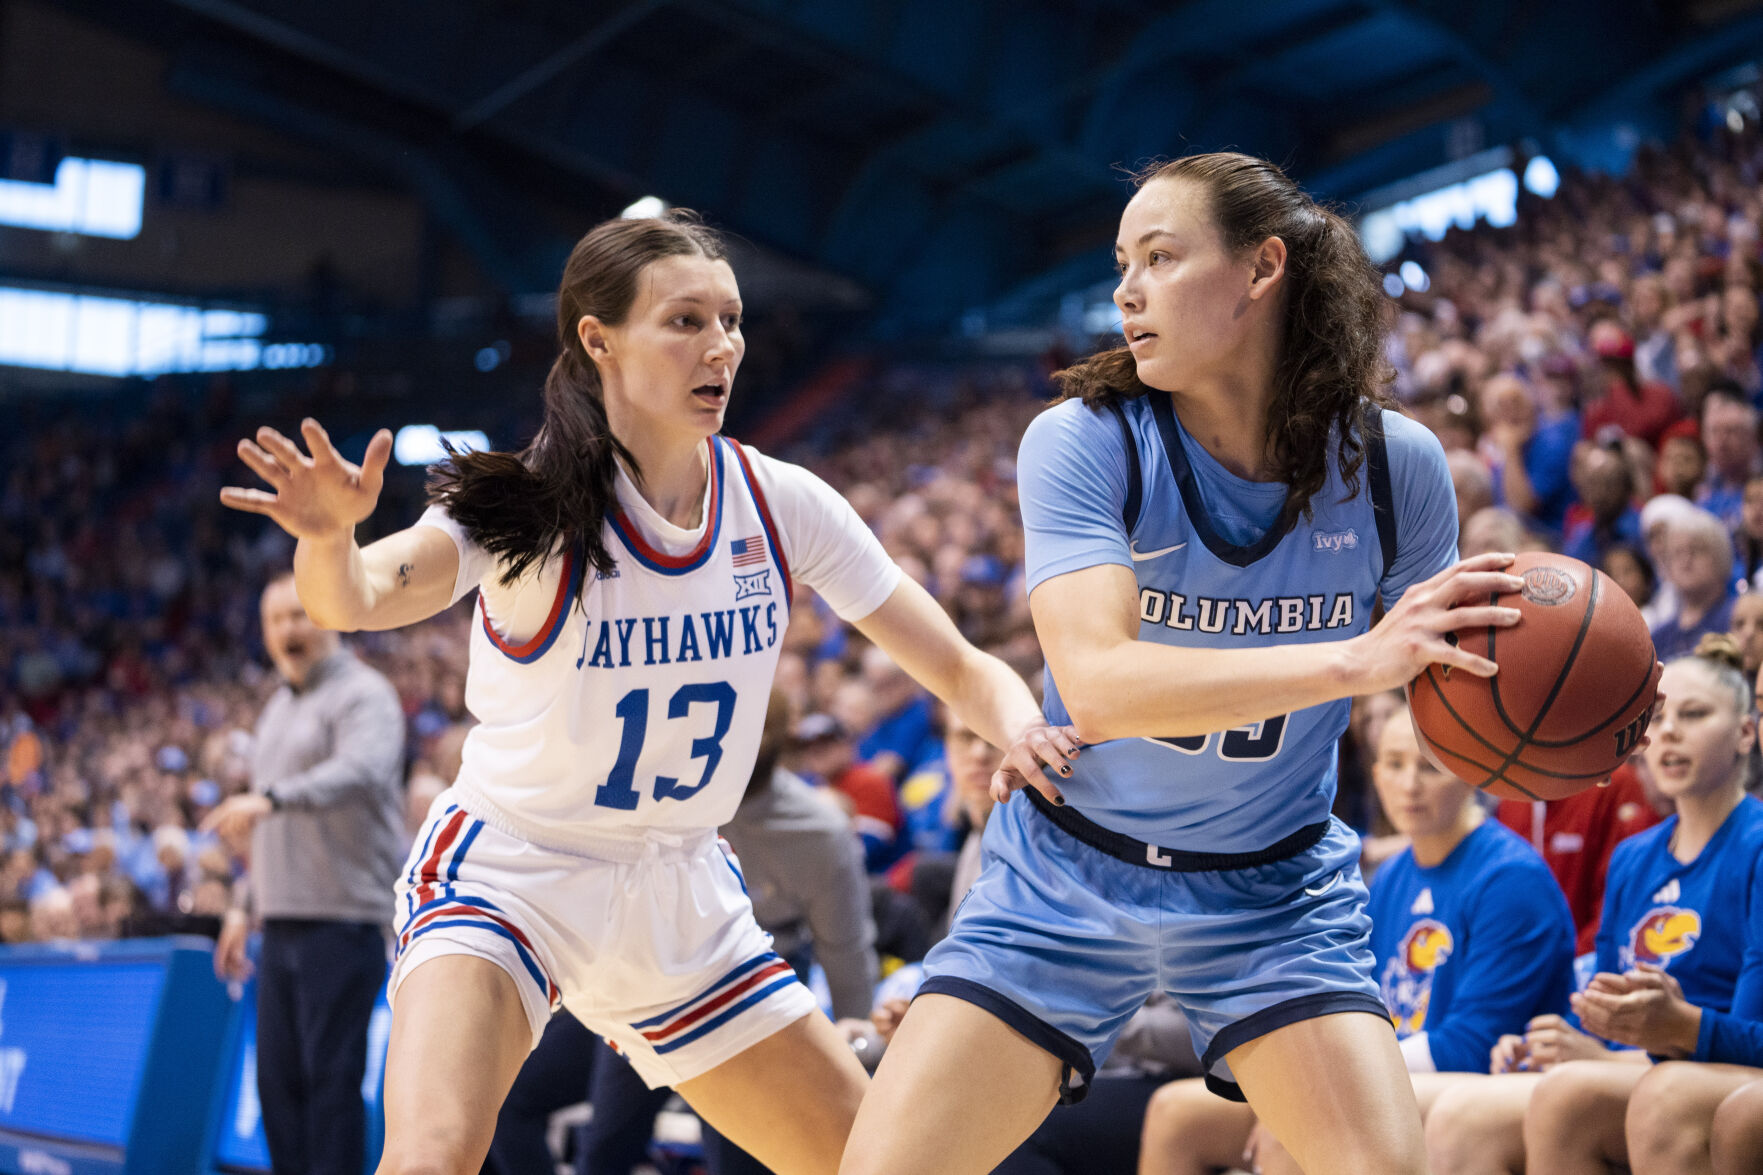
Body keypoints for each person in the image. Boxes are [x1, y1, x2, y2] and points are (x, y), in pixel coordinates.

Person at [219, 210, 1068, 1175]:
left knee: (871, 1162)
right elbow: (359, 599)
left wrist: (1020, 724)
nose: (723, 347)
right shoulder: (523, 502)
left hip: (680, 890)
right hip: (513, 871)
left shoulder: (779, 502)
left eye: (732, 320)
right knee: (432, 1156)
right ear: (598, 339)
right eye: (686, 321)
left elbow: (958, 664)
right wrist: (326, 540)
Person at [839, 152, 1527, 1175]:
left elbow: (1435, 695)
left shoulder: (1395, 468)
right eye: (1121, 262)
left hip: (1273, 894)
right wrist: (1352, 659)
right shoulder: (1082, 441)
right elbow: (1104, 684)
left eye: (1158, 257)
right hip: (1065, 876)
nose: (1123, 289)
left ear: (1260, 268)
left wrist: (1550, 707)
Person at [1135, 704, 1575, 1175]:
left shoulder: (1510, 878)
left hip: (1469, 1084)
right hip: (1390, 1077)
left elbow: (1470, 1044)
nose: (1409, 785)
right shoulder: (1390, 877)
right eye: (1395, 764)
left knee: (1307, 1130)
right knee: (1175, 1113)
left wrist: (1323, 1088)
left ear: (1472, 773)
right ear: (1376, 771)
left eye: (1429, 768)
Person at [1423, 635, 1763, 1175]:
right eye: (1662, 716)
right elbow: (1603, 1011)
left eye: (1695, 715)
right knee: (1465, 1119)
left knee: (1573, 1099)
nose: (1671, 731)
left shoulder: (1756, 847)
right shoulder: (1633, 857)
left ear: (1747, 732)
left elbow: (1751, 1035)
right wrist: (1555, 1039)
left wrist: (1664, 1033)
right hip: (1643, 1065)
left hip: (1712, 1070)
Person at [202, 572, 407, 1175]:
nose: (287, 629)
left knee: (330, 1087)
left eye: (299, 615)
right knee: (278, 1090)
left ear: (330, 615)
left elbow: (364, 770)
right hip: (282, 925)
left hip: (343, 923)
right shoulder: (276, 708)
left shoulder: (364, 694)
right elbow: (271, 820)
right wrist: (243, 903)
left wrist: (270, 798)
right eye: (275, 620)